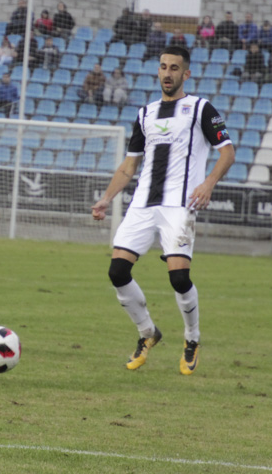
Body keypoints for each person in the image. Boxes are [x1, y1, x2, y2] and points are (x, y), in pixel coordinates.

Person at [90, 46, 234, 376]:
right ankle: (148, 333)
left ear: (186, 74)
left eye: (174, 68)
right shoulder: (145, 114)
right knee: (117, 272)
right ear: (158, 71)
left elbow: (227, 152)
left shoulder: (200, 108)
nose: (167, 73)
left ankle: (192, 339)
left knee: (179, 277)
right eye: (163, 67)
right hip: (143, 204)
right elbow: (129, 165)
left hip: (179, 205)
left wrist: (209, 183)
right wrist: (106, 198)